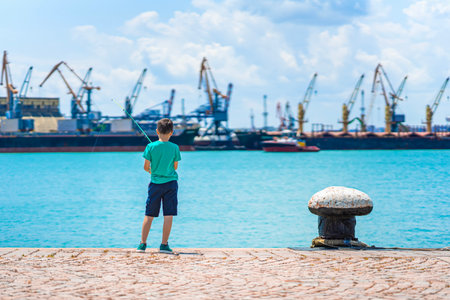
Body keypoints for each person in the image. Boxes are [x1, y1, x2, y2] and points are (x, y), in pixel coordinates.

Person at [136, 118, 181, 253]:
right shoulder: (175, 147)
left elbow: (146, 167)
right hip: (171, 184)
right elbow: (175, 166)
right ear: (171, 132)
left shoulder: (150, 147)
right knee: (168, 215)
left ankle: (142, 244)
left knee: (149, 215)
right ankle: (164, 244)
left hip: (155, 184)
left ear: (157, 131)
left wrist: (153, 171)